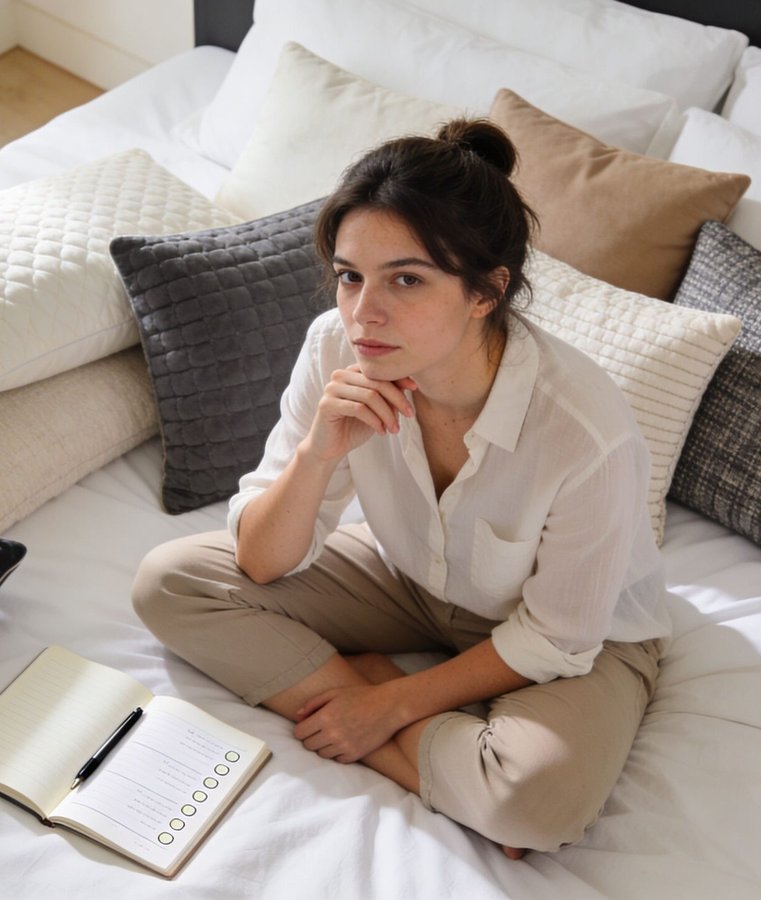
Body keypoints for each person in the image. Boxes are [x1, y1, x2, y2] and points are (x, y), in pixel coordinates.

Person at [131, 118, 670, 858]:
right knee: (171, 582)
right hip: (414, 583)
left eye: (406, 279)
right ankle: (430, 750)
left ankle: (384, 702)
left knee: (535, 804)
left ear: (486, 291)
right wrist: (319, 454)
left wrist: (386, 704)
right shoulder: (336, 346)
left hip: (577, 634)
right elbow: (258, 561)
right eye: (351, 275)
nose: (364, 312)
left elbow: (558, 635)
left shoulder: (583, 429)